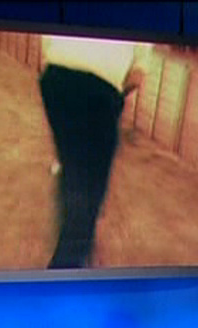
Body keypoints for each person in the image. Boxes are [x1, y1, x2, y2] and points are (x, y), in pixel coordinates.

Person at [38, 36, 152, 268]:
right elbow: (137, 76)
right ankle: (66, 268)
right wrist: (113, 99)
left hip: (55, 79)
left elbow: (47, 44)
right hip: (99, 91)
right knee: (92, 186)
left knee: (72, 164)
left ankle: (72, 231)